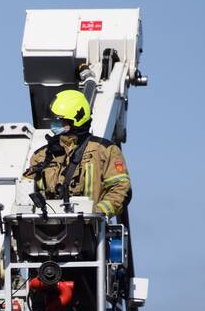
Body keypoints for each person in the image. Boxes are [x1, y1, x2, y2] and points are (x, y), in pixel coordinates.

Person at [23, 89, 131, 218]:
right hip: (45, 231)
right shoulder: (41, 155)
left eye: (59, 120)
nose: (54, 125)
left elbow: (120, 188)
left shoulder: (105, 151)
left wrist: (97, 213)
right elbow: (24, 192)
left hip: (88, 232)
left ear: (76, 120)